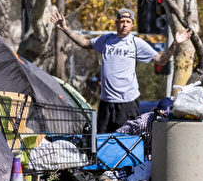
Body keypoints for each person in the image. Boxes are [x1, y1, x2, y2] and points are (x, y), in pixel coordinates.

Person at [51, 8, 192, 133]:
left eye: (128, 21)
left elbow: (161, 60)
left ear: (132, 24)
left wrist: (175, 43)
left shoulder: (137, 43)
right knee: (101, 142)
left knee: (126, 143)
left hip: (127, 103)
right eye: (122, 21)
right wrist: (65, 28)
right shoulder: (106, 40)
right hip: (106, 102)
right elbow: (85, 43)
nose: (124, 24)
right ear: (116, 22)